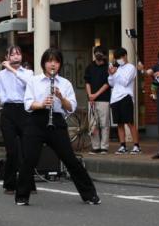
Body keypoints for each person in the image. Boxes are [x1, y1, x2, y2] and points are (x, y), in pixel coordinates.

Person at [15, 49, 100, 207]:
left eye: (56, 61)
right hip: (37, 120)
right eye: (49, 61)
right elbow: (28, 104)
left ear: (59, 64)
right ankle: (22, 195)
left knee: (70, 158)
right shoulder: (34, 81)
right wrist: (41, 104)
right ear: (44, 63)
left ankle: (90, 194)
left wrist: (61, 97)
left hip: (57, 120)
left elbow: (71, 107)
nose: (52, 64)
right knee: (30, 158)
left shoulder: (65, 83)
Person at [0, 45, 32, 192]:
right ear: (7, 58)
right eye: (13, 55)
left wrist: (12, 70)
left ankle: (28, 183)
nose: (16, 57)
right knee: (11, 150)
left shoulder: (28, 72)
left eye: (18, 54)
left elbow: (29, 83)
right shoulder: (1, 75)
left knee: (27, 150)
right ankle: (10, 183)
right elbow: (1, 94)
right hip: (8, 110)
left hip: (24, 110)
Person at [108, 47, 140, 154]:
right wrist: (111, 74)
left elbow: (125, 82)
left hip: (126, 96)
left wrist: (115, 73)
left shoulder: (131, 67)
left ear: (125, 56)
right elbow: (111, 83)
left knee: (130, 122)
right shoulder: (118, 68)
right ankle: (123, 146)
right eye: (117, 58)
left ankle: (136, 146)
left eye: (120, 57)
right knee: (119, 123)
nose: (118, 60)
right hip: (115, 98)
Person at [83, 48, 111, 154]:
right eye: (96, 53)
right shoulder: (90, 67)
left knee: (104, 124)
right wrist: (90, 95)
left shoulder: (108, 67)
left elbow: (107, 83)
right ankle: (95, 146)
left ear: (104, 55)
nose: (97, 55)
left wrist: (95, 95)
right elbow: (87, 82)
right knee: (93, 124)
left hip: (104, 99)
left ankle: (104, 147)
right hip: (91, 100)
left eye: (100, 53)